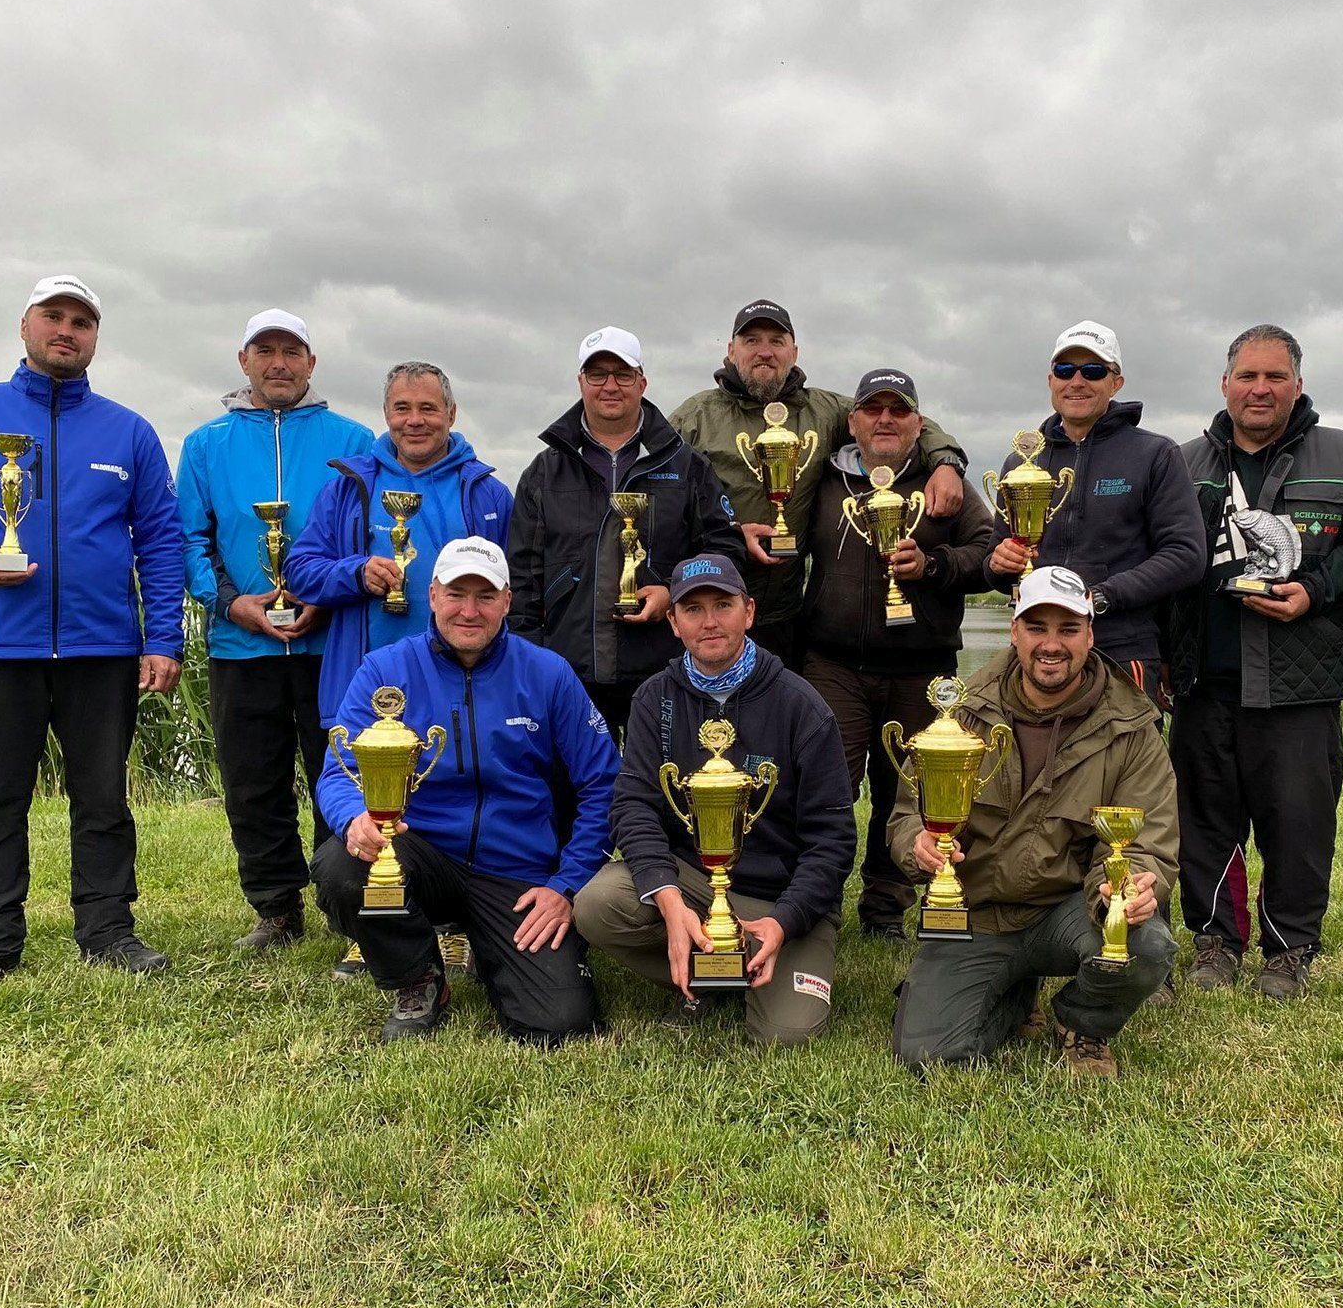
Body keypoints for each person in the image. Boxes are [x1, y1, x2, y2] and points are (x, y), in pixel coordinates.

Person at [0, 275, 186, 990]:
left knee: (104, 798)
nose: (67, 330)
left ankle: (108, 931)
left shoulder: (129, 431)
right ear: (25, 328)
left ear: (94, 339)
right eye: (54, 316)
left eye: (82, 321)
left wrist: (163, 638)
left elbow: (163, 541)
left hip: (103, 649)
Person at [310, 537, 620, 1043]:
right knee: (342, 869)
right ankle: (420, 979)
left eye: (485, 595)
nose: (469, 610)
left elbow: (603, 784)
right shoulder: (385, 670)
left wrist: (566, 885)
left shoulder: (548, 673)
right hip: (422, 854)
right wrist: (353, 821)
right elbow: (338, 773)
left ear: (506, 601)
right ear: (432, 595)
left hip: (517, 873)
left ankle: (487, 946)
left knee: (561, 1025)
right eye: (456, 593)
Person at [1166, 326, 1343, 998]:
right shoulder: (1182, 462)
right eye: (1247, 376)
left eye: (1274, 377)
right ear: (1225, 384)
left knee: (1298, 825)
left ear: (1297, 383)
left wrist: (1316, 590)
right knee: (1205, 821)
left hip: (1302, 678)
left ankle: (1289, 951)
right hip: (1205, 678)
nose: (1260, 389)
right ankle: (1216, 942)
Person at [888, 567, 1178, 1076]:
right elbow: (908, 812)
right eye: (1037, 627)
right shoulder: (962, 712)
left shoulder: (1132, 726)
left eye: (1068, 629)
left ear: (1090, 634)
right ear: (1014, 630)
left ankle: (1083, 1023)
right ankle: (1013, 996)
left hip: (1069, 913)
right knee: (929, 1056)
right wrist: (918, 845)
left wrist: (1129, 885)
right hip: (976, 914)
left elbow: (1148, 841)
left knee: (1146, 944)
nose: (1052, 645)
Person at [284, 360, 513, 978]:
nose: (416, 421)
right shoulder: (348, 486)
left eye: (428, 408)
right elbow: (300, 568)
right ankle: (366, 925)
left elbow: (512, 589)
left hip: (459, 682)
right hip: (364, 682)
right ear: (386, 415)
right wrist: (354, 572)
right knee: (354, 800)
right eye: (402, 409)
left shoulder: (485, 491)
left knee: (455, 793)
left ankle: (455, 920)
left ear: (452, 415)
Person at [572, 555, 856, 1044]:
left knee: (788, 1034)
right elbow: (633, 806)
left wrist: (785, 921)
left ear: (748, 612)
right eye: (693, 608)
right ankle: (713, 967)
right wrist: (666, 897)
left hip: (780, 897)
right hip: (696, 885)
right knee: (597, 904)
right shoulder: (652, 698)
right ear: (674, 622)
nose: (709, 621)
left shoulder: (802, 704)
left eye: (722, 605)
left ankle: (746, 962)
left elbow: (832, 840)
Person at [175, 309, 375, 952]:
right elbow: (189, 540)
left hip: (333, 641)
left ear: (312, 364)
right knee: (252, 780)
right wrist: (230, 604)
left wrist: (325, 595)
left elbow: (369, 537)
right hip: (242, 643)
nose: (279, 363)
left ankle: (345, 902)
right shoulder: (207, 444)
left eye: (293, 352)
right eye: (266, 351)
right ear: (244, 361)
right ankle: (275, 906)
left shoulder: (355, 439)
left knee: (339, 773)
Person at [800, 368, 994, 938]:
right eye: (874, 409)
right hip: (833, 665)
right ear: (853, 421)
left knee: (908, 795)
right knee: (827, 789)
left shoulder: (944, 485)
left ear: (919, 422)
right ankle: (818, 904)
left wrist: (932, 567)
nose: (886, 419)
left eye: (900, 410)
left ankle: (885, 910)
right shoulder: (822, 479)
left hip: (921, 671)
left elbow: (985, 552)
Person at [667, 300, 970, 663]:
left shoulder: (825, 412)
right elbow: (662, 506)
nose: (765, 351)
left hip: (788, 619)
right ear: (731, 351)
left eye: (777, 341)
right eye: (751, 340)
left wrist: (946, 462)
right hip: (711, 613)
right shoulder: (694, 417)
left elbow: (900, 421)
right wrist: (728, 535)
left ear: (794, 352)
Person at [507, 326, 745, 734]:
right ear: (581, 382)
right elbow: (522, 581)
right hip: (569, 675)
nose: (610, 386)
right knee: (571, 797)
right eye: (597, 374)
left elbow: (727, 552)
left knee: (659, 792)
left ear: (642, 381)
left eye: (623, 374)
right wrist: (534, 664)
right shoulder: (544, 471)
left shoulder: (686, 465)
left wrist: (674, 591)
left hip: (664, 673)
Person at [985, 320, 1206, 702]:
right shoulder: (1022, 464)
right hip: (1040, 654)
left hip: (1123, 648)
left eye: (1093, 371)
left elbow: (1186, 555)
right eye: (1065, 370)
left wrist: (1100, 597)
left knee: (1128, 764)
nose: (1077, 381)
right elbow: (993, 562)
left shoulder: (1155, 454)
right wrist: (999, 563)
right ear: (1051, 380)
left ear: (1115, 383)